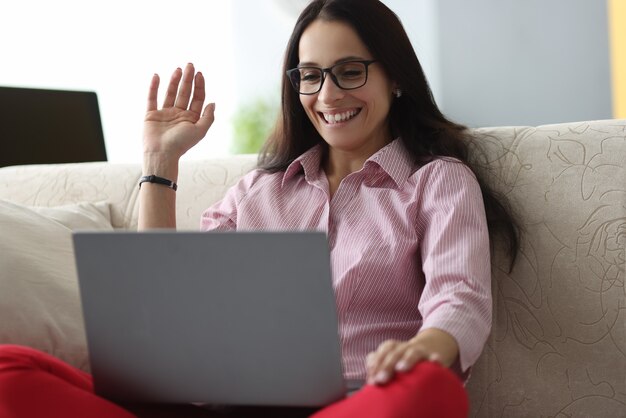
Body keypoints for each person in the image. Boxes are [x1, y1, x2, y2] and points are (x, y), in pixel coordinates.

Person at [0, 0, 518, 417]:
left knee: (432, 393)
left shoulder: (438, 182)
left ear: (397, 78)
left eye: (350, 71)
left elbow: (460, 296)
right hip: (217, 403)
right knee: (11, 371)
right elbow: (166, 302)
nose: (328, 94)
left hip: (357, 402)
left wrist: (427, 348)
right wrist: (161, 161)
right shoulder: (258, 192)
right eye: (310, 75)